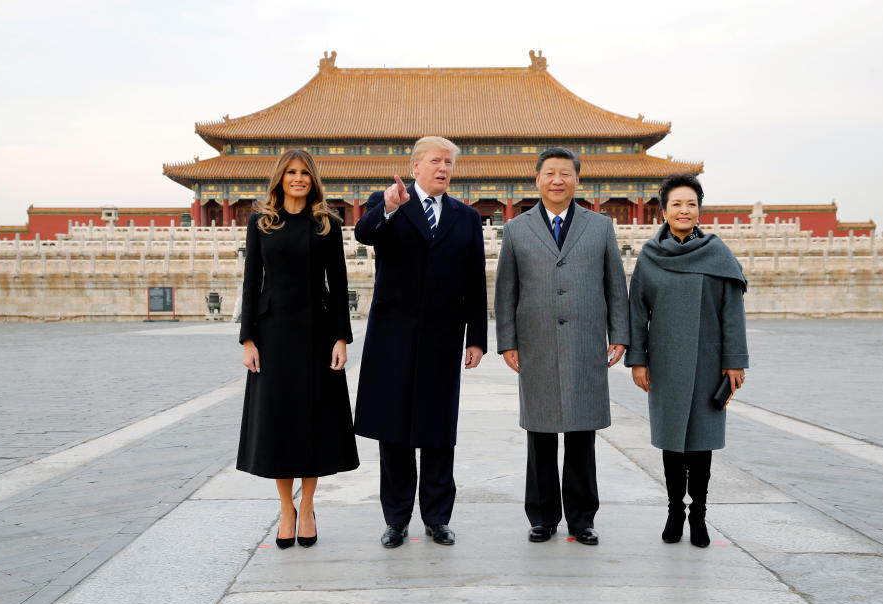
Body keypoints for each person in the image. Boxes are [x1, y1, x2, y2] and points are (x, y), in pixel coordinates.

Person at [354, 136, 488, 548]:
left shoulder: (466, 218)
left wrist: (477, 338)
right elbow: (364, 233)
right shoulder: (390, 201)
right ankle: (396, 519)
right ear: (415, 168)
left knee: (437, 430)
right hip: (393, 336)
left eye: (449, 163)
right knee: (393, 431)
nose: (443, 169)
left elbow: (475, 281)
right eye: (435, 161)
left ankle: (437, 517)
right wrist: (390, 208)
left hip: (443, 337)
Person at [494, 147, 629, 546]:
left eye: (565, 174)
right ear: (536, 180)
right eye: (550, 173)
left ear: (576, 180)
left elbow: (615, 286)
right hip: (535, 342)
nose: (557, 180)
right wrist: (507, 342)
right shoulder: (518, 229)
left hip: (585, 341)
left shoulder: (600, 226)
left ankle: (582, 518)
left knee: (581, 434)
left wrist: (619, 334)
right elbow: (506, 291)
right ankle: (542, 515)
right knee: (540, 433)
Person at [237, 149, 359, 549]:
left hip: (317, 334)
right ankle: (284, 509)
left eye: (305, 173)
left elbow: (339, 284)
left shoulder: (326, 223)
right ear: (280, 178)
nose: (298, 178)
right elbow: (251, 281)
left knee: (313, 423)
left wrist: (341, 337)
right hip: (272, 336)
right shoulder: (261, 223)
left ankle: (306, 507)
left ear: (313, 179)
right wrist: (248, 339)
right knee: (278, 423)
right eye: (291, 172)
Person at [625, 173, 748, 548]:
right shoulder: (649, 257)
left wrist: (734, 361)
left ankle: (699, 515)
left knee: (701, 444)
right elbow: (637, 313)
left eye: (691, 204)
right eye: (676, 204)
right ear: (663, 210)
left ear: (699, 210)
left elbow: (732, 312)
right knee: (672, 443)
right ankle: (675, 509)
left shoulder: (717, 254)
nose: (684, 210)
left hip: (709, 361)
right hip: (665, 362)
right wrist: (639, 360)